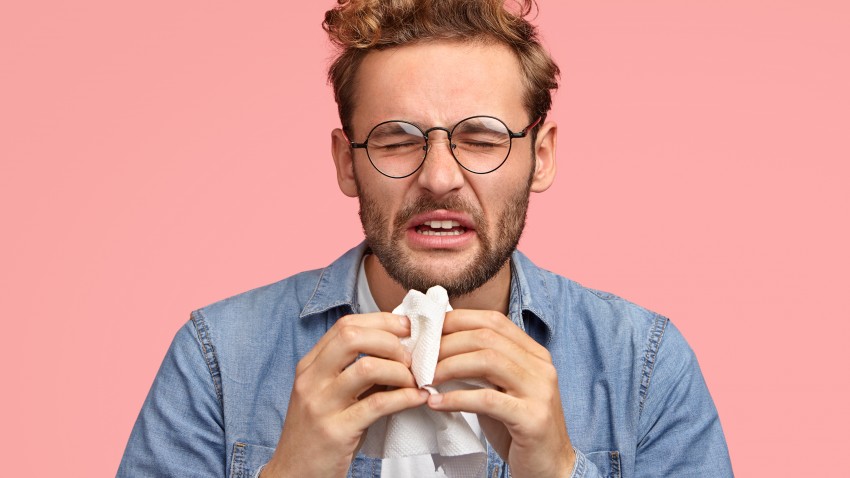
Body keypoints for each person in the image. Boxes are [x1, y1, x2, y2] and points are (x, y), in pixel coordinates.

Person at [118, 0, 732, 476]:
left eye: (483, 139)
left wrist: (558, 470)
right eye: (396, 140)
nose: (439, 177)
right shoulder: (217, 358)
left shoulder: (643, 364)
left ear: (540, 158)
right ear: (345, 162)